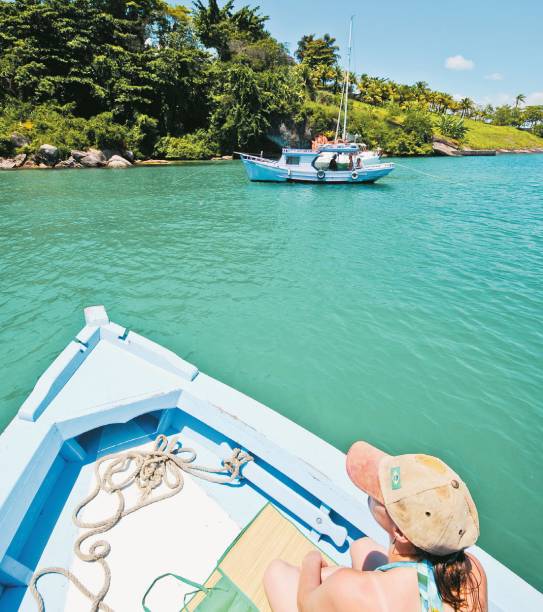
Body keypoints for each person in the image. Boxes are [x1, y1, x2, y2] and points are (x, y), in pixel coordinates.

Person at [264, 441, 487, 611]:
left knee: (277, 573)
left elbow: (305, 603)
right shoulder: (472, 570)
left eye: (381, 496)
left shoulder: (350, 588)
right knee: (362, 548)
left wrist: (310, 559)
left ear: (400, 532)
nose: (374, 492)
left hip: (368, 597)